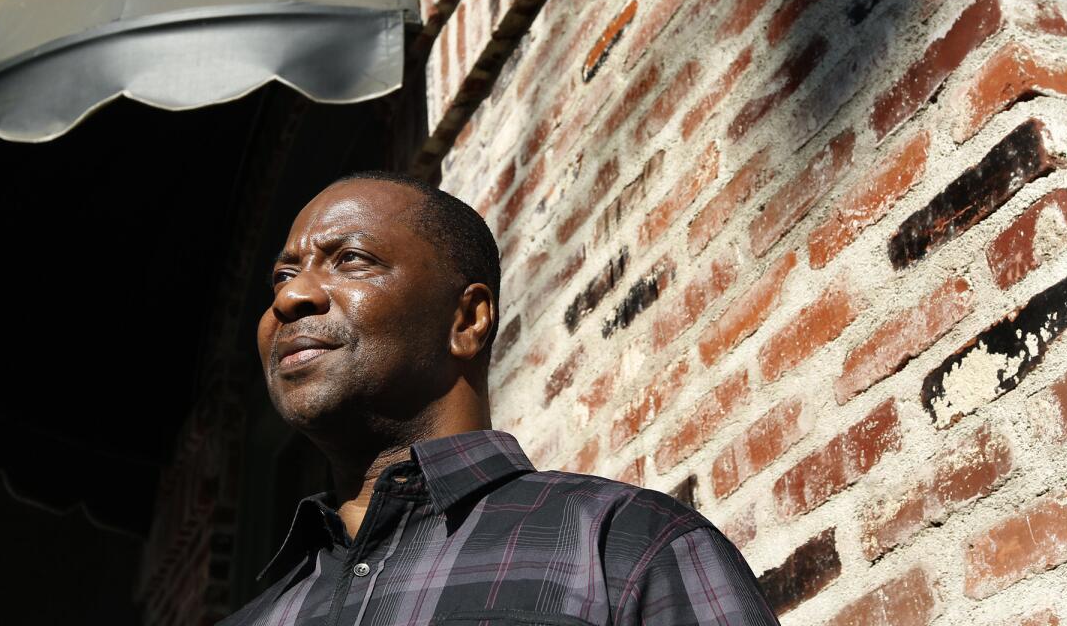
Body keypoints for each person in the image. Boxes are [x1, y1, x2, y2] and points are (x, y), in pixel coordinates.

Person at [220, 171, 779, 626]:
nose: (291, 296)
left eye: (352, 259)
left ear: (467, 319)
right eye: (282, 275)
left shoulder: (623, 545)